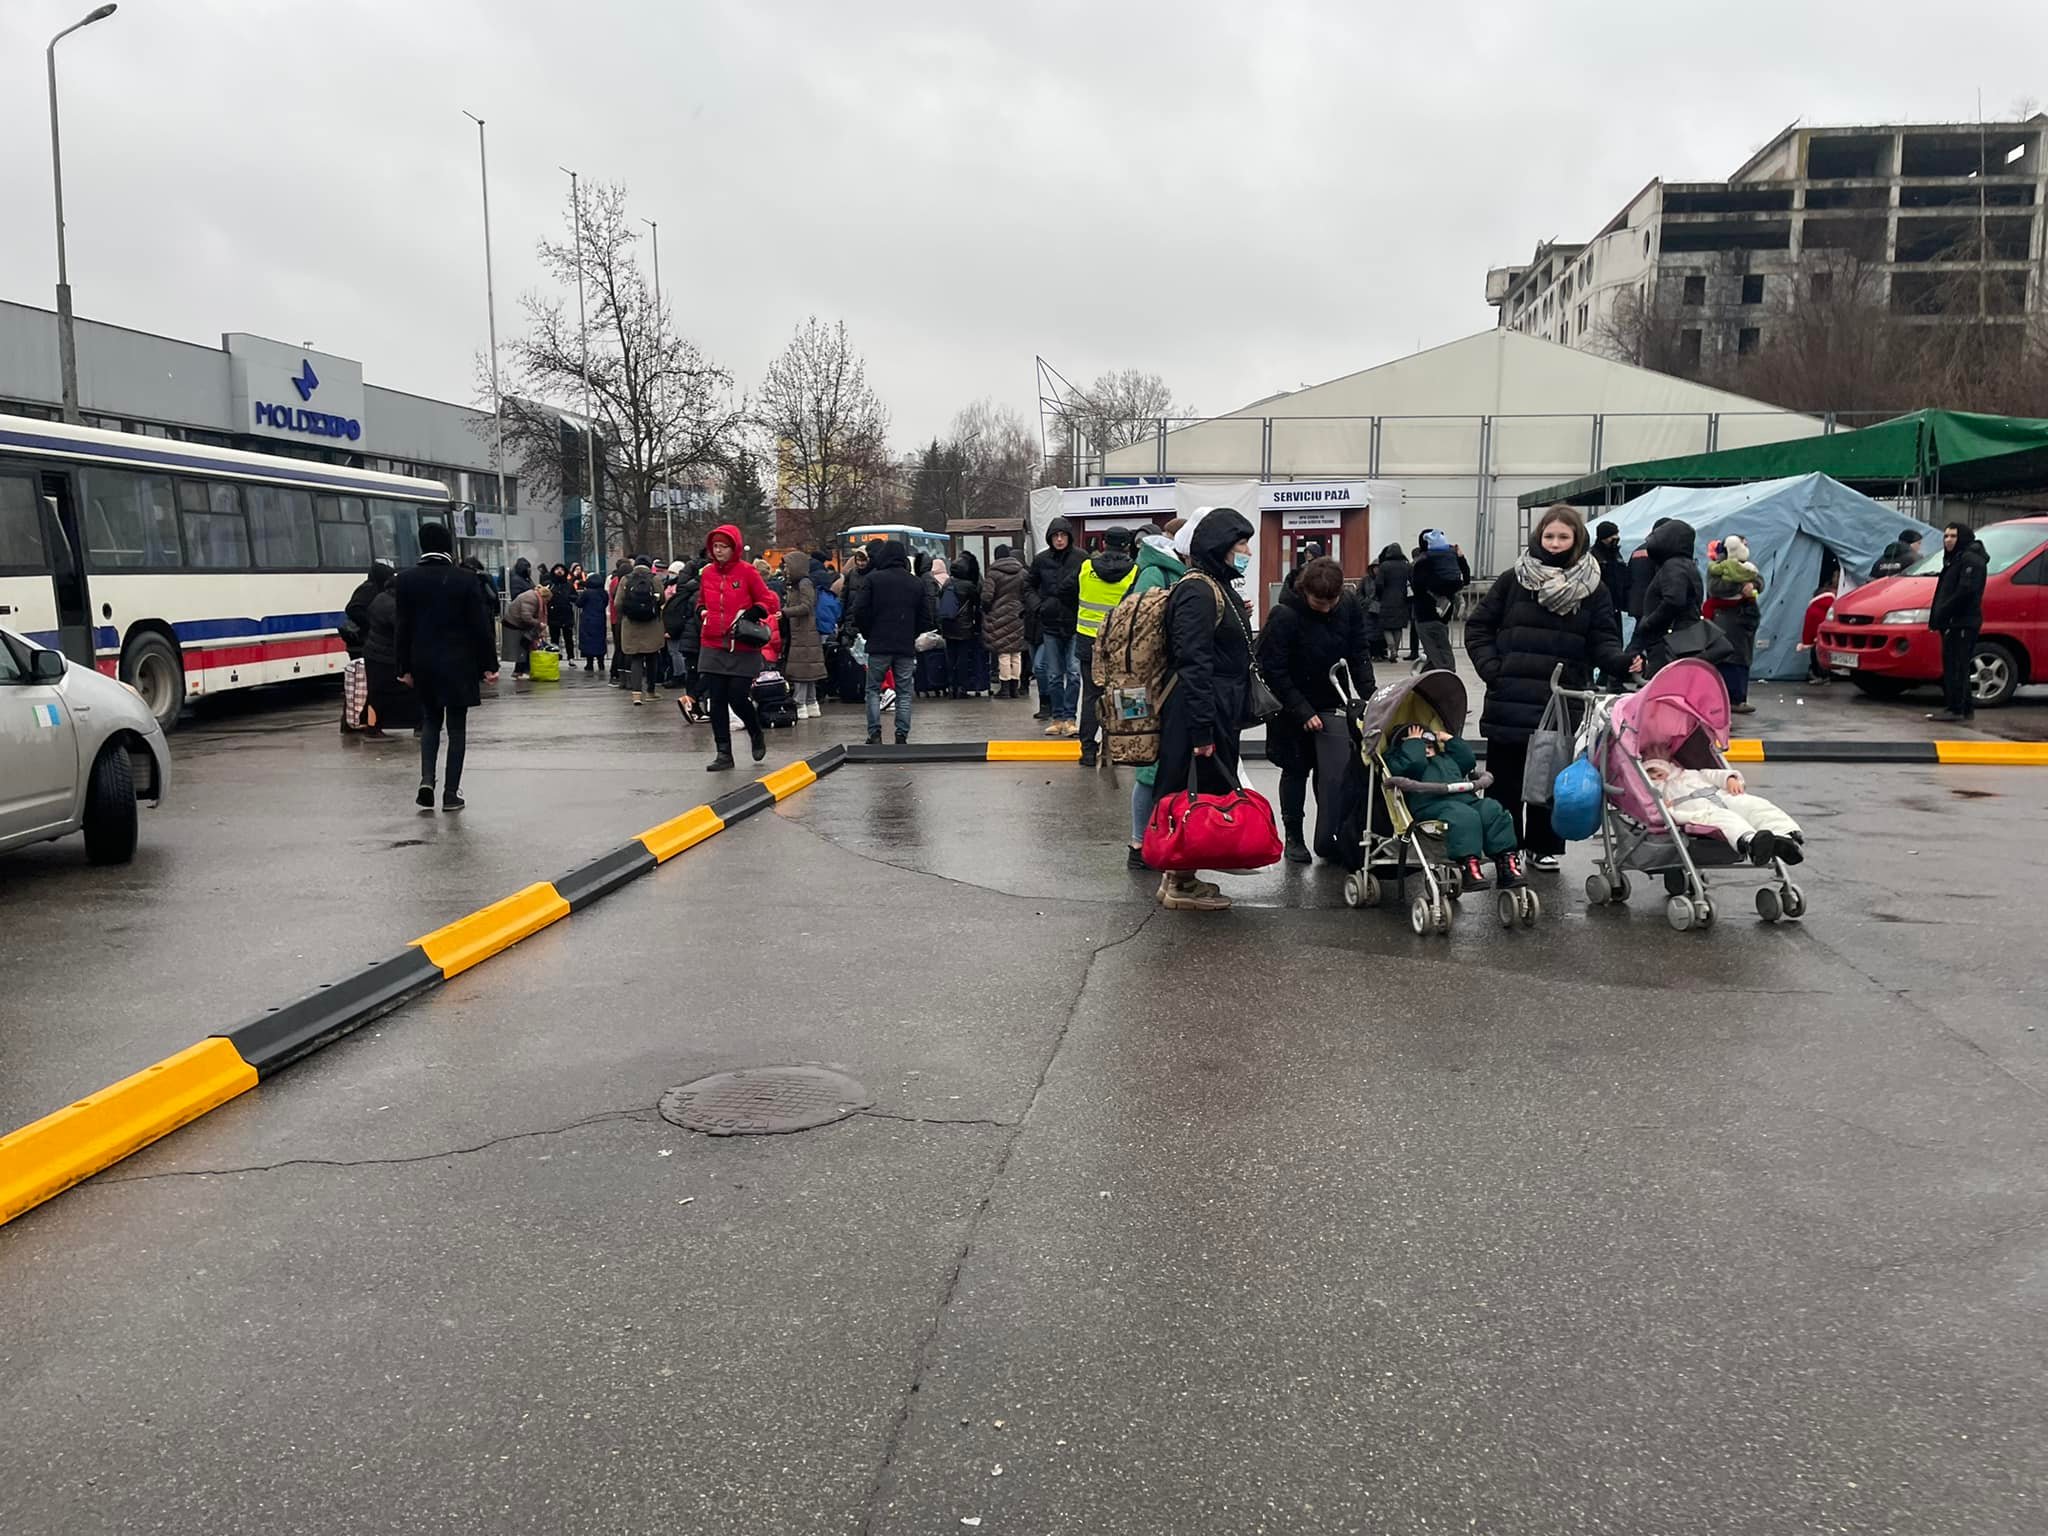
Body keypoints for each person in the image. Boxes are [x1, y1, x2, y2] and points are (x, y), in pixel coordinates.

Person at [1464, 503, 1631, 874]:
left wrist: (1622, 662)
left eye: (1563, 537)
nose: (1554, 543)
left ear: (1577, 540)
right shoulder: (1514, 579)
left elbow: (1603, 639)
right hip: (1510, 696)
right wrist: (1494, 670)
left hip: (1561, 698)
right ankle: (1504, 848)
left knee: (1550, 778)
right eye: (1549, 535)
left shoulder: (1594, 587)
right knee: (1503, 781)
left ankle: (1542, 848)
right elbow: (1478, 627)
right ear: (1539, 536)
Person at [1152, 508, 1257, 912]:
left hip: (1214, 708)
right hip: (1200, 710)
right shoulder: (1197, 590)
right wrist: (1201, 731)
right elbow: (1193, 662)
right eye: (1240, 544)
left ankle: (1182, 877)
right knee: (1190, 795)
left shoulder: (1213, 585)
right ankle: (1179, 882)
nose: (1246, 551)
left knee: (1197, 794)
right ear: (1219, 547)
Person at [1256, 555, 1374, 865]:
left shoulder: (1347, 604)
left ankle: (1331, 834)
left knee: (1334, 774)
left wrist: (1370, 695)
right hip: (1291, 706)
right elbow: (1273, 670)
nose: (1326, 607)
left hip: (1332, 699)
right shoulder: (1284, 615)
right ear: (1304, 590)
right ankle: (1294, 836)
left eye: (1331, 601)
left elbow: (1359, 651)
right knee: (1296, 770)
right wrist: (1302, 710)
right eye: (1318, 601)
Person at [394, 520, 498, 812]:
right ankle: (451, 793)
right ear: (448, 546)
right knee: (457, 728)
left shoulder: (406, 579)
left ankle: (427, 779)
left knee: (430, 721)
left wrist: (403, 667)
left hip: (423, 662)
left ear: (422, 546)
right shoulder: (465, 579)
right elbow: (480, 626)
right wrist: (489, 664)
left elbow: (402, 628)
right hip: (459, 663)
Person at [1120, 523, 1188, 869]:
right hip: (1149, 685)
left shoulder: (1173, 571)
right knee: (1149, 765)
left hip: (1159, 683)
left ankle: (1155, 841)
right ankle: (1139, 845)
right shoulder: (1155, 573)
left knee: (1160, 763)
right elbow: (1143, 633)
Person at [1385, 723, 1523, 892]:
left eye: (1429, 746)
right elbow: (1412, 764)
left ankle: (1506, 861)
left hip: (1463, 798)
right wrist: (1413, 745)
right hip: (1430, 803)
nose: (1426, 750)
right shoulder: (1402, 762)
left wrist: (1450, 740)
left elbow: (1467, 760)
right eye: (1420, 746)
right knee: (1464, 816)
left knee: (1492, 809)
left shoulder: (1445, 758)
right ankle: (1469, 866)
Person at [688, 523, 780, 767]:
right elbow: (701, 600)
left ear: (734, 548)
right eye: (715, 546)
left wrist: (752, 612)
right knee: (716, 699)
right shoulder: (707, 573)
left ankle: (755, 731)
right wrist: (701, 611)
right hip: (713, 642)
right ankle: (724, 753)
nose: (718, 551)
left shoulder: (748, 572)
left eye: (724, 547)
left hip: (742, 644)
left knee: (738, 697)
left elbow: (769, 601)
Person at [1643, 759, 1805, 866]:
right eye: (1653, 777)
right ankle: (1751, 843)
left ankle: (1786, 836)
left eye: (1659, 772)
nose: (1659, 777)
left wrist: (1729, 779)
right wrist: (1664, 805)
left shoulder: (1692, 774)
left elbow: (1715, 774)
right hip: (1700, 811)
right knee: (1728, 820)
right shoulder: (1659, 791)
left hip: (1724, 796)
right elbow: (1654, 808)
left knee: (1756, 805)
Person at [852, 538, 935, 745]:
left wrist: (868, 631)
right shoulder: (915, 582)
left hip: (879, 644)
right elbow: (927, 615)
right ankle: (901, 734)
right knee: (904, 691)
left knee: (872, 689)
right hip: (905, 645)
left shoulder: (873, 580)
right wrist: (912, 632)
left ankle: (874, 733)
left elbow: (859, 610)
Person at [1070, 527, 1138, 764]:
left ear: (1104, 543)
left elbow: (1070, 592)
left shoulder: (1087, 568)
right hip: (1121, 644)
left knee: (1091, 696)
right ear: (1127, 545)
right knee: (1125, 694)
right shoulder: (1136, 572)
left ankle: (1088, 750)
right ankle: (1124, 749)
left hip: (1088, 641)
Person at [1026, 516, 1086, 734]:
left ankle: (1070, 717)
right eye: (1055, 536)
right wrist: (1039, 607)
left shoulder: (1081, 558)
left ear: (1069, 537)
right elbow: (1028, 586)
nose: (1059, 540)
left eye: (1063, 535)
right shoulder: (1041, 560)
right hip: (1050, 623)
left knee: (1073, 672)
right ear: (1050, 538)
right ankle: (1058, 717)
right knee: (1053, 674)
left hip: (1074, 622)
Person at [1626, 518, 1704, 675]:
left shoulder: (1672, 566)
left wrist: (1650, 622)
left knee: (1662, 680)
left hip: (1667, 638)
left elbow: (1674, 600)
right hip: (1681, 635)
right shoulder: (1685, 564)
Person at [1927, 522, 1987, 723]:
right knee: (1954, 665)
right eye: (1946, 536)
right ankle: (1963, 707)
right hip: (1953, 622)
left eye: (1953, 536)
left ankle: (1956, 708)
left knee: (1957, 666)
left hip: (1961, 622)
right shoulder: (1954, 560)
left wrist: (1945, 611)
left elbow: (1965, 591)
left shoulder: (1970, 560)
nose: (1948, 540)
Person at [1705, 534, 1764, 714]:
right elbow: (1714, 588)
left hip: (1744, 617)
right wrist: (1740, 588)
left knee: (1742, 658)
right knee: (1728, 657)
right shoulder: (1717, 568)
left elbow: (1760, 582)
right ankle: (1730, 698)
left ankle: (1739, 697)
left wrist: (1752, 587)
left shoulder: (1747, 566)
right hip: (1725, 618)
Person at [361, 565, 414, 737]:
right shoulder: (393, 605)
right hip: (384, 655)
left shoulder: (380, 598)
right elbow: (401, 630)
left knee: (375, 693)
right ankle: (374, 727)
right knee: (387, 692)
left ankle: (372, 725)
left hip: (373, 652)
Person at [779, 550, 828, 718]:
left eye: (787, 566)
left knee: (801, 671)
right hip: (803, 632)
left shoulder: (804, 584)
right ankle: (811, 702)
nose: (785, 569)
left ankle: (800, 702)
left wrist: (785, 612)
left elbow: (807, 606)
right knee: (807, 671)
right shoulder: (798, 584)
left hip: (803, 632)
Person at [1409, 530, 1464, 673]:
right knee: (1444, 662)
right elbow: (1426, 585)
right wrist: (1454, 583)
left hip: (1433, 618)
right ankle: (1442, 686)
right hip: (1429, 617)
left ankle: (1425, 685)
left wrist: (1460, 559)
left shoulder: (1431, 563)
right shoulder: (1426, 564)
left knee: (1435, 658)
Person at [615, 557, 667, 704]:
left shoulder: (625, 579)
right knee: (652, 657)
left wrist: (627, 612)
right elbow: (662, 599)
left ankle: (636, 694)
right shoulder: (655, 579)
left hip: (631, 625)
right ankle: (650, 691)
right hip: (652, 625)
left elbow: (618, 602)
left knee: (636, 658)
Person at [980, 544, 1029, 698]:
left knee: (1003, 654)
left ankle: (1005, 688)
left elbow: (987, 597)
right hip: (1017, 615)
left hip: (998, 616)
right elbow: (1027, 593)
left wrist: (988, 610)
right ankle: (1015, 687)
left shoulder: (993, 573)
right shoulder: (1022, 572)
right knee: (1016, 653)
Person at [942, 549, 986, 698]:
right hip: (964, 627)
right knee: (962, 658)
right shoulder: (969, 586)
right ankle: (961, 687)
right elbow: (977, 605)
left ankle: (950, 686)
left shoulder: (947, 583)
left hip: (948, 626)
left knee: (950, 657)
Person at [1372, 543, 1411, 662]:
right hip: (1402, 599)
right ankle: (1396, 650)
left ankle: (1391, 648)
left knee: (1386, 627)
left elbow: (1379, 584)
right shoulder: (1406, 566)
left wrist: (1380, 595)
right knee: (1398, 628)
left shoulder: (1384, 566)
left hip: (1386, 599)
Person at [503, 580, 546, 680]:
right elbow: (526, 616)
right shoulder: (532, 599)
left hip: (517, 624)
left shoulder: (533, 596)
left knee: (524, 647)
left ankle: (521, 670)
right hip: (515, 625)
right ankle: (521, 671)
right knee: (524, 647)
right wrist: (539, 623)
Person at [576, 573, 610, 676]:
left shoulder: (587, 593)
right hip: (600, 619)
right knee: (600, 640)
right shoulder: (603, 593)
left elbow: (579, 603)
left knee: (588, 641)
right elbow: (605, 603)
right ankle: (601, 663)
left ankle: (589, 663)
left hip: (587, 619)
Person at [546, 563, 579, 659]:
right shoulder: (550, 584)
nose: (559, 571)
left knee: (568, 638)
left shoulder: (568, 585)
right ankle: (555, 657)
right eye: (557, 569)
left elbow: (575, 597)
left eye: (561, 569)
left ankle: (571, 657)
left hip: (566, 615)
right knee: (554, 639)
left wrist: (569, 597)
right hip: (553, 615)